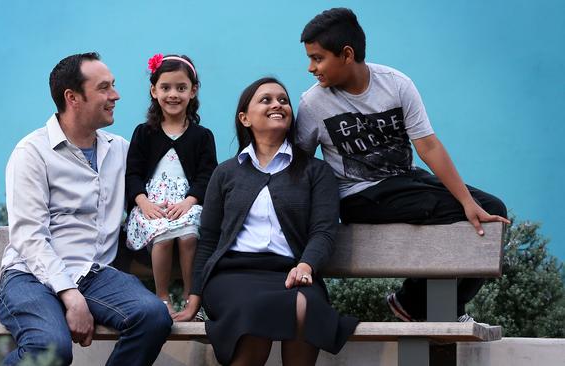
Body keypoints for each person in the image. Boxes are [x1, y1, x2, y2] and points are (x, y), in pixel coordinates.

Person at [296, 8, 511, 322]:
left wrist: (468, 201)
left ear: (346, 54)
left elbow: (428, 145)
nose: (310, 68)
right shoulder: (314, 103)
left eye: (317, 58)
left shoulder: (396, 85)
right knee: (442, 210)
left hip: (406, 182)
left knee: (492, 209)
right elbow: (299, 166)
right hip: (360, 196)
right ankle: (429, 307)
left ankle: (417, 302)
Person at [0, 52, 172, 366]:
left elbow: (167, 175)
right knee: (50, 349)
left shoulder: (119, 150)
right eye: (105, 88)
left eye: (113, 86)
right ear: (72, 97)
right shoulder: (32, 153)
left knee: (153, 316)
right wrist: (70, 294)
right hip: (30, 277)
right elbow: (30, 237)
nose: (115, 95)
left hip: (93, 276)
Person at [174, 77, 358, 365]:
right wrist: (194, 298)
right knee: (255, 308)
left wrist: (305, 265)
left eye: (283, 100)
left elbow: (323, 230)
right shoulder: (226, 173)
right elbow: (208, 239)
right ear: (244, 118)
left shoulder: (315, 171)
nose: (277, 105)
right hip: (232, 276)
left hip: (293, 273)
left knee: (304, 306)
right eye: (266, 99)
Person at [125, 54, 217, 315]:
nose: (173, 94)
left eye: (181, 87)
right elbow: (132, 174)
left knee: (189, 235)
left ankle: (191, 298)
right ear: (154, 91)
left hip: (188, 202)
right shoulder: (144, 133)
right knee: (162, 235)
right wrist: (143, 203)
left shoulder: (202, 136)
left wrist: (189, 201)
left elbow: (207, 175)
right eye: (165, 88)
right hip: (151, 205)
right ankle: (162, 297)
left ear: (193, 90)